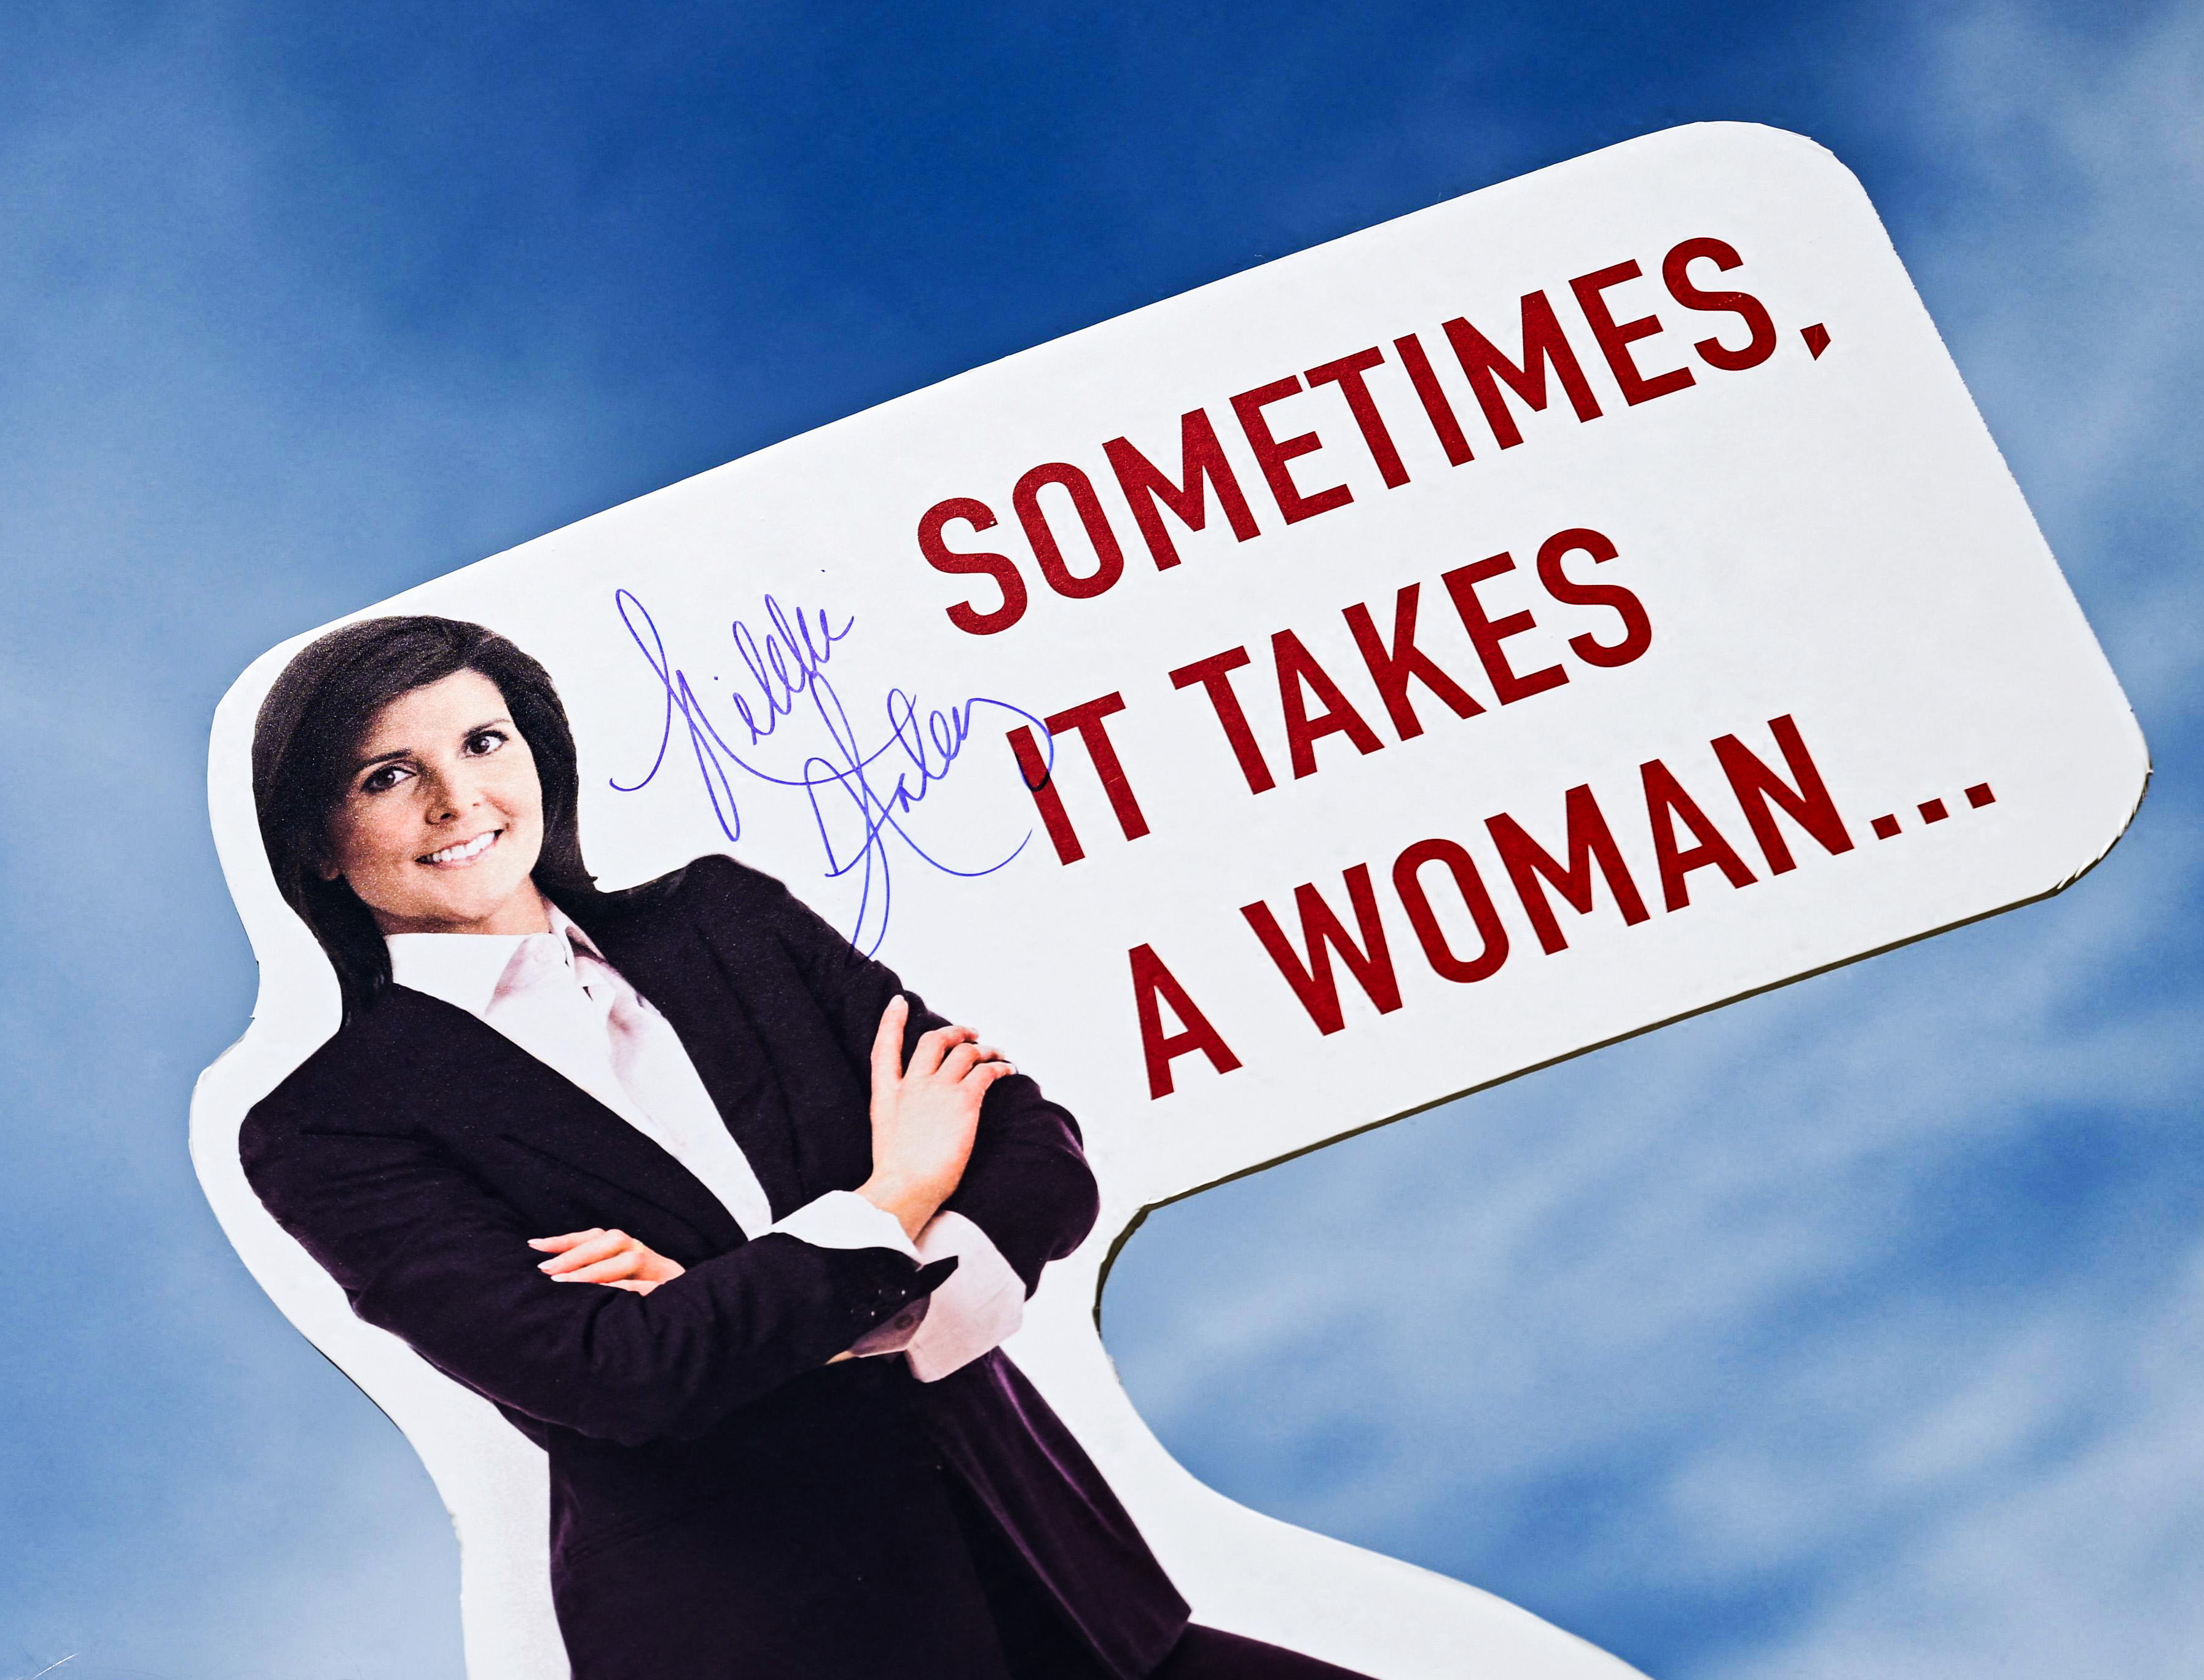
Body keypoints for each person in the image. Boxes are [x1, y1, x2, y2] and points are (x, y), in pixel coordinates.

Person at [238, 615, 1376, 1680]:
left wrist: (825, 1313)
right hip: (773, 1639)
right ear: (319, 844)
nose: (457, 798)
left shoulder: (726, 920)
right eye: (387, 776)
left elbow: (1033, 1150)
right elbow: (619, 1376)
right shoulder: (328, 1126)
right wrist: (893, 1198)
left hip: (1061, 1584)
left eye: (485, 741)